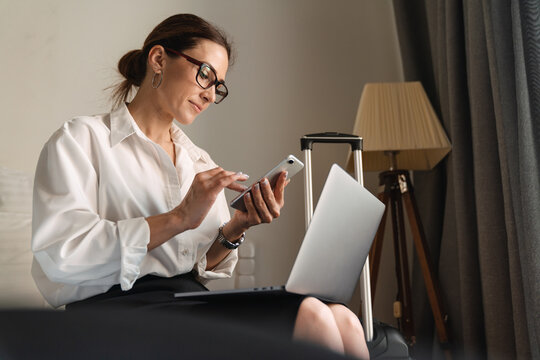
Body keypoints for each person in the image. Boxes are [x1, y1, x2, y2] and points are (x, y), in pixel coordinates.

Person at [31, 13, 369, 359]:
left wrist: (237, 227)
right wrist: (178, 218)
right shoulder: (80, 140)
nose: (210, 95)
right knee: (312, 316)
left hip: (186, 302)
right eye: (205, 74)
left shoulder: (198, 161)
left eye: (218, 86)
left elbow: (194, 266)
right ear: (159, 59)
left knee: (344, 318)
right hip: (114, 312)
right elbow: (63, 255)